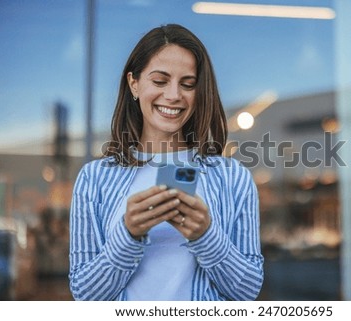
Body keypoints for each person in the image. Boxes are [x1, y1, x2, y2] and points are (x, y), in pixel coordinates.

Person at [69, 24, 264, 301]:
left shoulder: (234, 178)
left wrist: (206, 236)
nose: (173, 95)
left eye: (188, 84)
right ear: (134, 84)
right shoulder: (94, 179)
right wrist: (128, 234)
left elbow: (247, 292)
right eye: (160, 81)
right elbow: (84, 295)